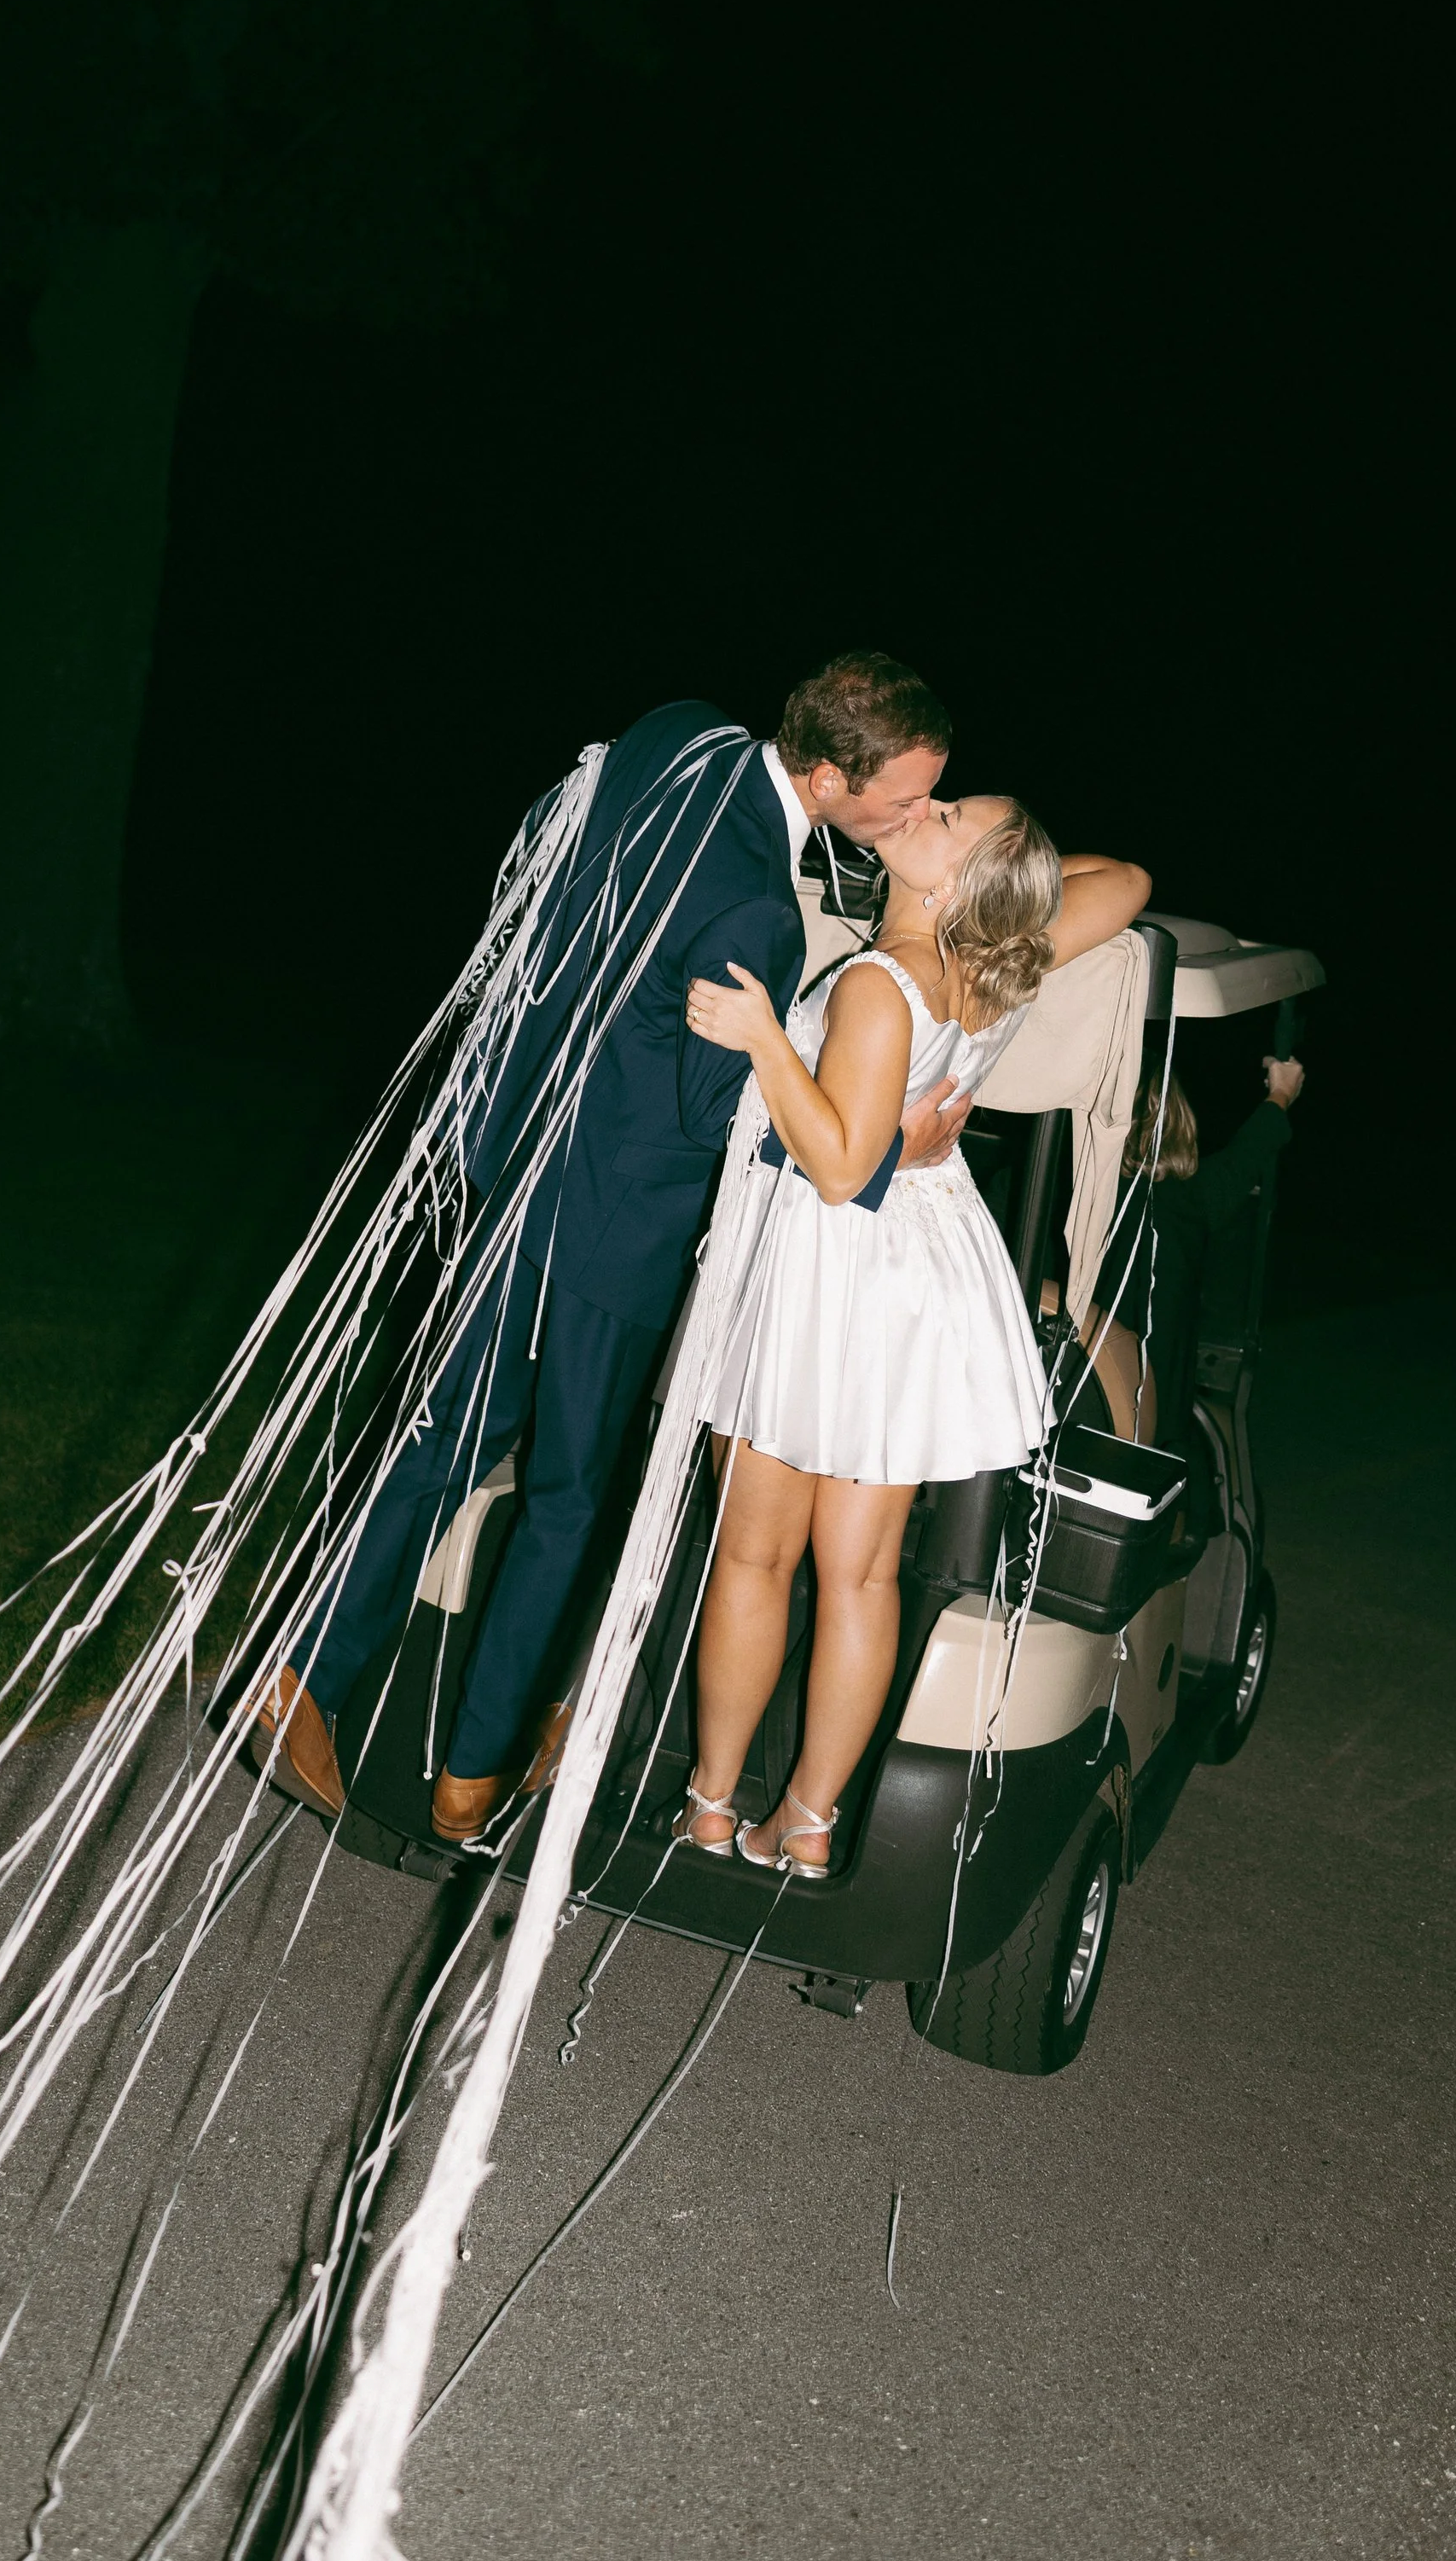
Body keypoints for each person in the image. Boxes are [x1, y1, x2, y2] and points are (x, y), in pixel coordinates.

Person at [248, 652, 972, 1847]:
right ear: (833, 777)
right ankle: (470, 1774)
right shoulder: (753, 903)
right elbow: (712, 1115)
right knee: (570, 1493)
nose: (904, 818)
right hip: (613, 1224)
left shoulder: (679, 733)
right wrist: (880, 1146)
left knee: (440, 1439)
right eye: (899, 799)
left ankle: (304, 1677)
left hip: (518, 1158)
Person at [674, 801, 1151, 1874]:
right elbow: (1123, 875)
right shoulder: (999, 960)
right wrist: (1002, 873)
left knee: (755, 1553)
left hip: (824, 1265)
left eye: (945, 817)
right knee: (860, 1575)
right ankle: (804, 1823)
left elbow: (840, 1171)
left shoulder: (878, 984)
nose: (921, 807)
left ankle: (710, 1805)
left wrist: (762, 1042)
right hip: (911, 1275)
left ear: (953, 882)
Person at [1075, 1052, 1306, 1456]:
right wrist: (1282, 1091)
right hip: (1153, 1409)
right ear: (1178, 1121)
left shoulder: (1081, 1189)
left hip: (1079, 1390)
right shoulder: (1190, 1200)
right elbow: (1248, 1153)